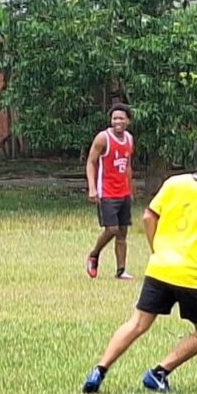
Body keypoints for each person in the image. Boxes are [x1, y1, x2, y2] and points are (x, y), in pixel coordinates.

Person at [82, 135, 197, 394]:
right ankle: (158, 373)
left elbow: (148, 216)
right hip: (192, 275)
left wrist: (157, 249)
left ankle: (98, 371)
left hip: (159, 268)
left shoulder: (174, 183)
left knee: (137, 324)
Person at [85, 103, 136, 280]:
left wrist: (130, 189)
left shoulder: (129, 139)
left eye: (121, 118)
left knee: (122, 232)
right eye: (114, 118)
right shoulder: (103, 138)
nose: (117, 121)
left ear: (127, 121)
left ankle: (121, 270)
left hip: (123, 192)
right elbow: (91, 162)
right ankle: (94, 254)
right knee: (112, 229)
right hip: (106, 192)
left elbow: (128, 165)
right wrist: (92, 188)